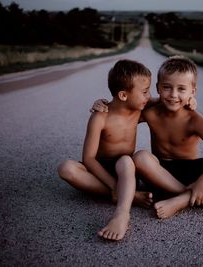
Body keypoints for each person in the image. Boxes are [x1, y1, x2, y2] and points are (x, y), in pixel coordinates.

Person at [93, 56, 203, 219]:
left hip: (193, 171)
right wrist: (104, 105)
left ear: (193, 92)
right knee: (140, 157)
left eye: (181, 89)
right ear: (157, 88)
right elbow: (123, 112)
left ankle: (182, 200)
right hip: (160, 174)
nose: (173, 94)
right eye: (167, 87)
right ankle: (198, 198)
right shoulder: (150, 112)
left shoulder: (194, 120)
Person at [57, 59, 153, 241]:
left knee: (125, 161)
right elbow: (89, 159)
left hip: (125, 170)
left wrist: (191, 100)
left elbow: (166, 104)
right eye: (145, 92)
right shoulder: (100, 117)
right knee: (65, 168)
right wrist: (113, 186)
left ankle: (122, 215)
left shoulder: (138, 111)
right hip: (100, 171)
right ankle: (129, 195)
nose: (149, 96)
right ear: (123, 95)